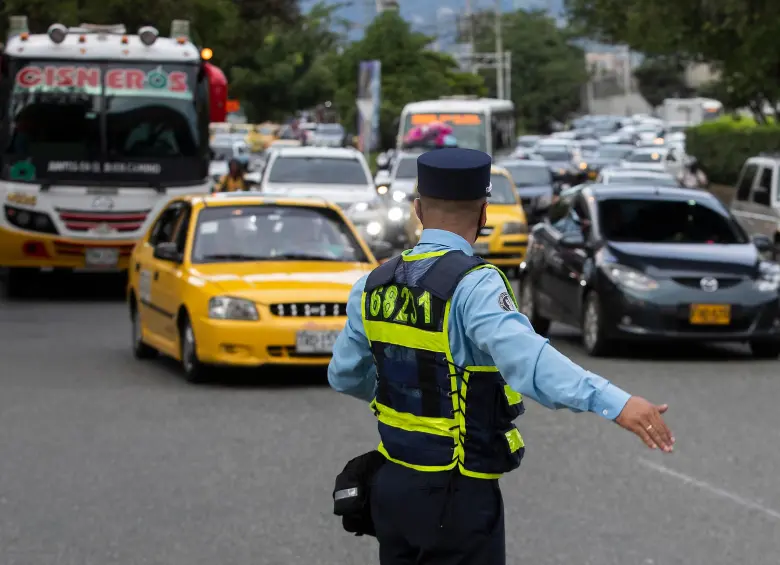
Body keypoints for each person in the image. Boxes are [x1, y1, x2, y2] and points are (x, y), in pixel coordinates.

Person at [327, 148, 675, 565]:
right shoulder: (474, 285)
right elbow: (530, 362)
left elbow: (344, 374)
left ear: (418, 210)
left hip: (392, 485)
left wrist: (407, 392)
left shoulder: (372, 284)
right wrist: (617, 403)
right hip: (454, 494)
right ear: (484, 213)